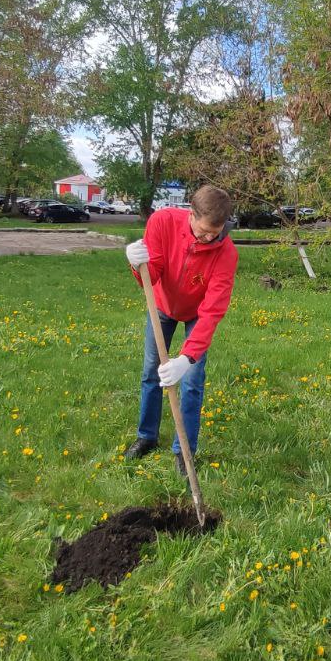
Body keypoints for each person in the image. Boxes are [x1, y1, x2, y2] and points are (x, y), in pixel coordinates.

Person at [122, 185, 238, 476]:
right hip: (162, 305)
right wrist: (137, 265)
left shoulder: (226, 252)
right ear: (191, 213)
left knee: (192, 381)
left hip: (197, 313)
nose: (209, 238)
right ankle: (146, 435)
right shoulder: (162, 222)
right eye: (202, 232)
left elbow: (212, 311)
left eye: (216, 232)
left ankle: (184, 450)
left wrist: (186, 359)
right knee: (152, 371)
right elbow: (153, 275)